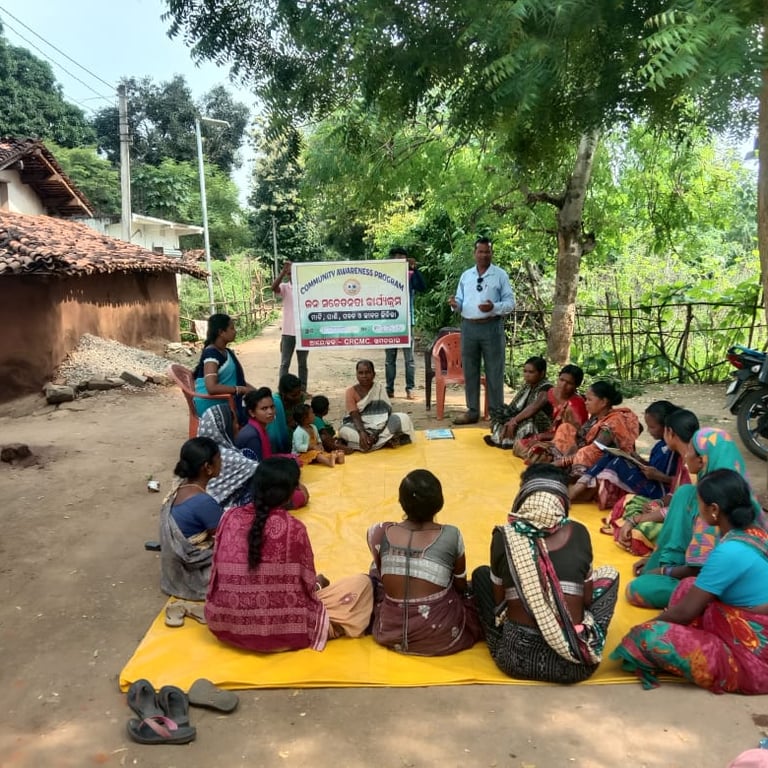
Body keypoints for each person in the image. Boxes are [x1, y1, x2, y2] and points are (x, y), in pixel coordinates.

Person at [612, 469, 768, 693]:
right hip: (746, 616)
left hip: (753, 655)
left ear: (714, 510)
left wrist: (644, 627)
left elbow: (685, 612)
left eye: (699, 503)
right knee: (687, 587)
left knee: (648, 638)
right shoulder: (754, 532)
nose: (697, 508)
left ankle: (728, 666)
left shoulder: (728, 551)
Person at [205, 458, 374, 652]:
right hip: (283, 633)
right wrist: (317, 585)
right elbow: (306, 587)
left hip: (225, 625)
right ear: (289, 494)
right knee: (363, 584)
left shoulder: (228, 517)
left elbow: (215, 576)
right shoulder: (294, 529)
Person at [472, 463, 619, 683]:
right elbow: (587, 600)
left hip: (515, 660)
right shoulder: (579, 532)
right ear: (563, 500)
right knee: (610, 575)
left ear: (524, 496)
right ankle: (577, 634)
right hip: (574, 665)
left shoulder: (504, 536)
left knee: (481, 576)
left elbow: (499, 601)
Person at [625, 427, 759, 609]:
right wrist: (656, 561)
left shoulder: (714, 506)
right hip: (692, 568)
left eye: (689, 451)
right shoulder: (700, 493)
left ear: (702, 460)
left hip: (712, 582)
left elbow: (701, 569)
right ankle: (666, 563)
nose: (686, 456)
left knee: (638, 589)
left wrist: (664, 571)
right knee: (684, 493)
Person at [366, 469, 483, 655]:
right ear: (439, 503)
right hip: (440, 635)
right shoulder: (451, 535)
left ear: (401, 502)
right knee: (478, 584)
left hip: (390, 630)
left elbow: (382, 575)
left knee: (374, 572)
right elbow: (461, 586)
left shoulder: (379, 532)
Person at [604, 408, 699, 555]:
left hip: (685, 523)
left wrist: (636, 520)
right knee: (629, 500)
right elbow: (674, 495)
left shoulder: (692, 466)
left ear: (670, 432)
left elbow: (680, 511)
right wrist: (659, 502)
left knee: (640, 532)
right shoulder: (684, 458)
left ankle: (631, 527)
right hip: (671, 509)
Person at [448, 237, 515, 424]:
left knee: (494, 371)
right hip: (469, 327)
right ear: (474, 253)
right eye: (481, 251)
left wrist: (494, 307)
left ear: (492, 253)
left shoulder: (500, 275)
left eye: (487, 252)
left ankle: (496, 413)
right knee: (470, 371)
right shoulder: (466, 275)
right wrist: (455, 304)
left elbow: (510, 303)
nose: (484, 255)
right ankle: (472, 411)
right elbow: (460, 301)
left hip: (491, 326)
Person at [574, 400, 682, 510]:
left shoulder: (676, 449)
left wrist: (660, 476)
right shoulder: (659, 446)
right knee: (611, 454)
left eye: (652, 427)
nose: (649, 431)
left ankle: (584, 491)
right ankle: (581, 486)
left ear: (666, 427)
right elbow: (654, 467)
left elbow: (683, 481)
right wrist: (638, 460)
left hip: (662, 492)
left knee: (617, 462)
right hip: (652, 481)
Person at [548, 380, 641, 495]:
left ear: (603, 402)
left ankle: (579, 485)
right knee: (566, 428)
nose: (586, 403)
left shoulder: (613, 422)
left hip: (604, 463)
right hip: (581, 457)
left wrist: (560, 462)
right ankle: (559, 470)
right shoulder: (595, 417)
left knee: (585, 452)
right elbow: (580, 439)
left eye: (589, 400)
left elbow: (593, 450)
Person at [159, 437, 223, 601]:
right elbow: (226, 539)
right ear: (207, 467)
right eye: (218, 458)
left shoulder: (180, 488)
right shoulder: (203, 502)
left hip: (173, 573)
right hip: (193, 576)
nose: (222, 462)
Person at [234, 388, 310, 509]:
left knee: (293, 461)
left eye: (272, 407)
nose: (270, 412)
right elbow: (259, 473)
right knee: (300, 496)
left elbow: (267, 458)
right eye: (264, 409)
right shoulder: (252, 436)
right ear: (252, 412)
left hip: (264, 476)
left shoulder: (259, 428)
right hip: (253, 490)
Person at [513, 364, 588, 461]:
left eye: (569, 383)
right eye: (561, 380)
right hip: (543, 434)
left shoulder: (577, 404)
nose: (563, 385)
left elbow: (574, 434)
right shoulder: (549, 393)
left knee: (538, 453)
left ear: (577, 385)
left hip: (562, 442)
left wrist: (541, 437)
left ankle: (552, 458)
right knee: (519, 444)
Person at [338, 360, 415, 451]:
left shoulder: (379, 388)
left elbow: (386, 414)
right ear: (356, 375)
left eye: (367, 372)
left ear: (374, 374)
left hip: (381, 426)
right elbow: (354, 415)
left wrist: (375, 434)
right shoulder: (350, 391)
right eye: (361, 373)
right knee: (343, 430)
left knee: (403, 418)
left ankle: (369, 443)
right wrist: (362, 433)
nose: (364, 376)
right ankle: (384, 441)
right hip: (360, 426)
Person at [192, 313, 254, 425]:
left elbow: (238, 381)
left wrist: (256, 392)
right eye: (232, 328)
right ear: (221, 332)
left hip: (225, 399)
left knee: (265, 402)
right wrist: (239, 389)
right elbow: (211, 388)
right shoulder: (211, 354)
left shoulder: (226, 352)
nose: (235, 331)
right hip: (210, 403)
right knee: (259, 412)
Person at [197, 404, 259, 510]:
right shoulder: (225, 456)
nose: (238, 426)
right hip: (221, 514)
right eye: (235, 423)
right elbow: (259, 470)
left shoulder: (196, 451)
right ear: (225, 428)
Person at [384, 246, 427, 400]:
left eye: (403, 258)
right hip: (388, 321)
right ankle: (389, 389)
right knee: (390, 359)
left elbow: (422, 287)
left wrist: (414, 269)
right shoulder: (383, 275)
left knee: (409, 358)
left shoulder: (410, 275)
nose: (400, 261)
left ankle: (410, 388)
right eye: (397, 258)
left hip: (406, 321)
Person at [484, 356, 552, 449]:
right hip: (523, 416)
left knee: (528, 421)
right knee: (501, 414)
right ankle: (503, 439)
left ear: (542, 373)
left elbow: (535, 406)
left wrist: (514, 420)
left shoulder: (546, 387)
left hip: (540, 423)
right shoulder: (528, 386)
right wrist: (510, 418)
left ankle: (513, 441)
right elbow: (515, 407)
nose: (527, 375)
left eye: (531, 372)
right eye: (525, 371)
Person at [272, 260, 309, 392]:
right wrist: (282, 272)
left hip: (303, 331)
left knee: (302, 363)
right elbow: (273, 288)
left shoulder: (306, 288)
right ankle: (283, 389)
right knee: (285, 363)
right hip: (288, 332)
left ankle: (302, 390)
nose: (291, 273)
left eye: (293, 270)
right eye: (289, 271)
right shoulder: (284, 287)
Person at [266, 373, 305, 454]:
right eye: (294, 395)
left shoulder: (301, 398)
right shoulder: (275, 403)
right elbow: (274, 430)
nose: (298, 397)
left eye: (299, 392)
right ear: (283, 394)